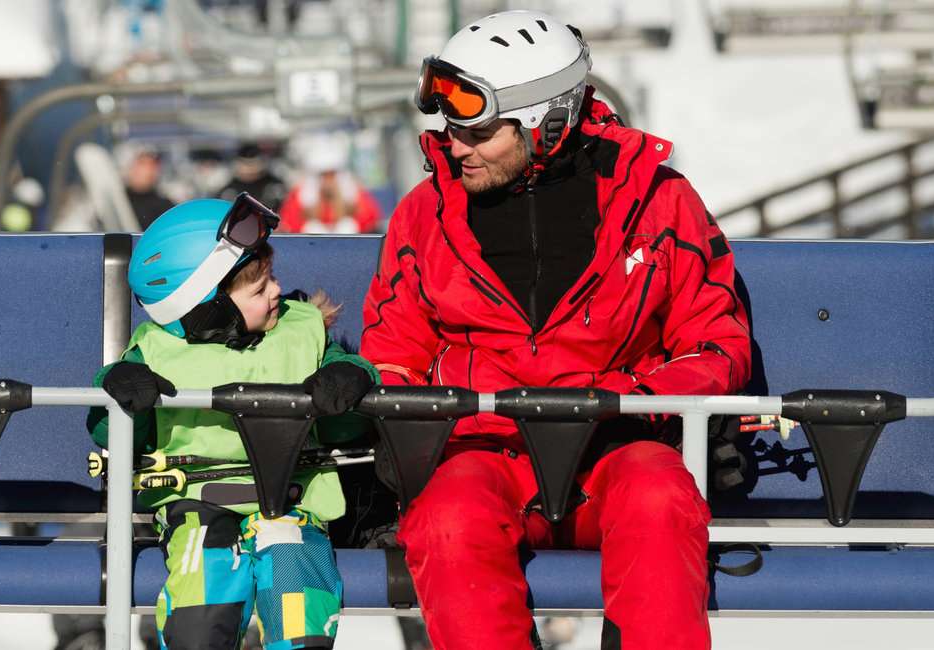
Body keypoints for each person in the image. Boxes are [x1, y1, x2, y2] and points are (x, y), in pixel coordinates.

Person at [358, 10, 751, 650]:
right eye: (452, 128)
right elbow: (394, 351)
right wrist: (401, 420)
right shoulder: (427, 215)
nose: (457, 147)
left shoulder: (655, 201)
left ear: (546, 121)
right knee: (448, 519)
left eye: (480, 130)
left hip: (615, 448)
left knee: (658, 499)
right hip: (489, 450)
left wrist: (634, 401)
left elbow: (715, 340)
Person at [87, 194, 377, 649]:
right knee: (204, 588)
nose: (277, 291)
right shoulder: (154, 356)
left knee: (292, 571)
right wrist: (125, 391)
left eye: (272, 278)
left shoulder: (302, 334)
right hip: (198, 506)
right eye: (259, 290)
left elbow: (350, 420)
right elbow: (110, 426)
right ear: (209, 310)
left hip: (291, 503)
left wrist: (348, 383)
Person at [277, 138, 382, 234]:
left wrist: (340, 203)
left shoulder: (355, 191)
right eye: (323, 175)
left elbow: (371, 218)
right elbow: (289, 222)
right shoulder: (300, 193)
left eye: (331, 174)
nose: (328, 180)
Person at [218, 142, 290, 213]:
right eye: (245, 164)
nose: (249, 168)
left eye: (253, 163)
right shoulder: (229, 190)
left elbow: (287, 212)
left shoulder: (274, 187)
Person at [123, 144, 179, 228]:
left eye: (153, 164)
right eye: (143, 163)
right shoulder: (119, 202)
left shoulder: (165, 206)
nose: (149, 170)